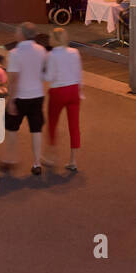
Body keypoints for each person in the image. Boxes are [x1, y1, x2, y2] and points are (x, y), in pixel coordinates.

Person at [0, 24, 49, 175]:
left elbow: (13, 79)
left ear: (22, 35)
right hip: (37, 95)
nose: (16, 33)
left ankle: (11, 158)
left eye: (17, 31)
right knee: (36, 129)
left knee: (11, 128)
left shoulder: (14, 53)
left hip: (20, 96)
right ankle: (37, 163)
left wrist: (11, 100)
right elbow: (44, 71)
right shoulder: (42, 51)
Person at [45, 28, 83, 171]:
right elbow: (79, 73)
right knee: (74, 126)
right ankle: (73, 160)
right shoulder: (75, 53)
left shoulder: (51, 55)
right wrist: (80, 91)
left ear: (54, 39)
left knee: (53, 123)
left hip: (58, 90)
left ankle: (52, 155)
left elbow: (49, 77)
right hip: (74, 90)